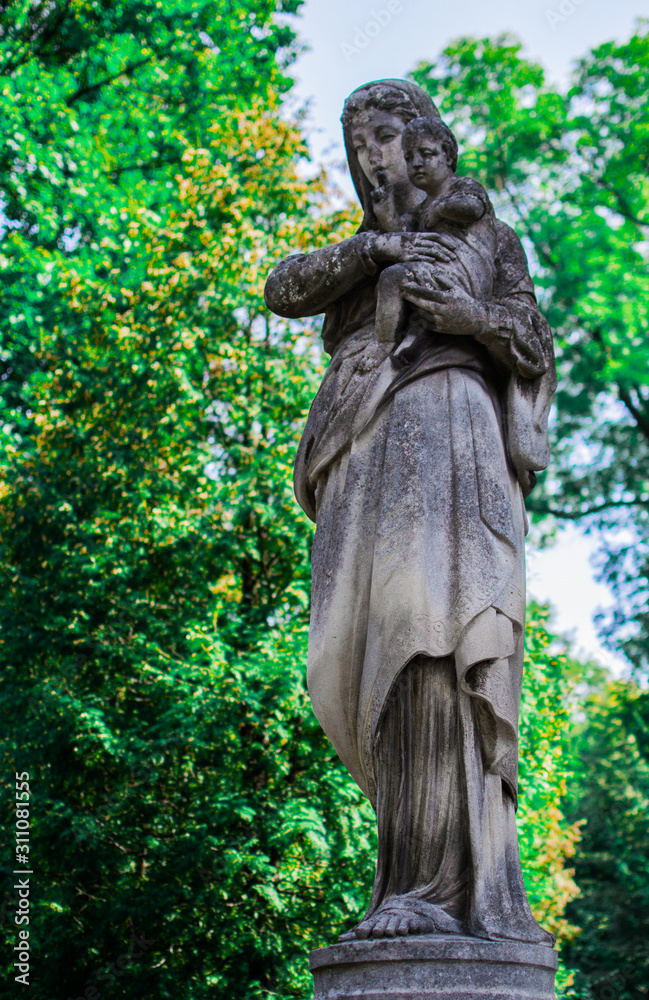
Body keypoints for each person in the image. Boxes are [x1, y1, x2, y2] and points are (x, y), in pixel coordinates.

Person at [264, 79, 556, 944]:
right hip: (362, 445)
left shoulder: (487, 238)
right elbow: (283, 287)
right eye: (358, 144)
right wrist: (377, 249)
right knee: (366, 655)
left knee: (432, 639)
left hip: (449, 433)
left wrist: (471, 318)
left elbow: (534, 340)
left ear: (427, 142)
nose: (371, 157)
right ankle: (405, 880)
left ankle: (442, 887)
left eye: (386, 136)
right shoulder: (360, 252)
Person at [374, 115, 497, 347]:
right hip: (434, 275)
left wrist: (440, 209)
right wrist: (386, 214)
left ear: (448, 155)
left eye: (426, 154)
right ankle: (409, 341)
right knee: (396, 283)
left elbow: (473, 207)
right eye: (409, 158)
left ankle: (383, 345)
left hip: (466, 275)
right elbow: (401, 238)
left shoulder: (465, 186)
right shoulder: (419, 210)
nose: (416, 163)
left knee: (393, 277)